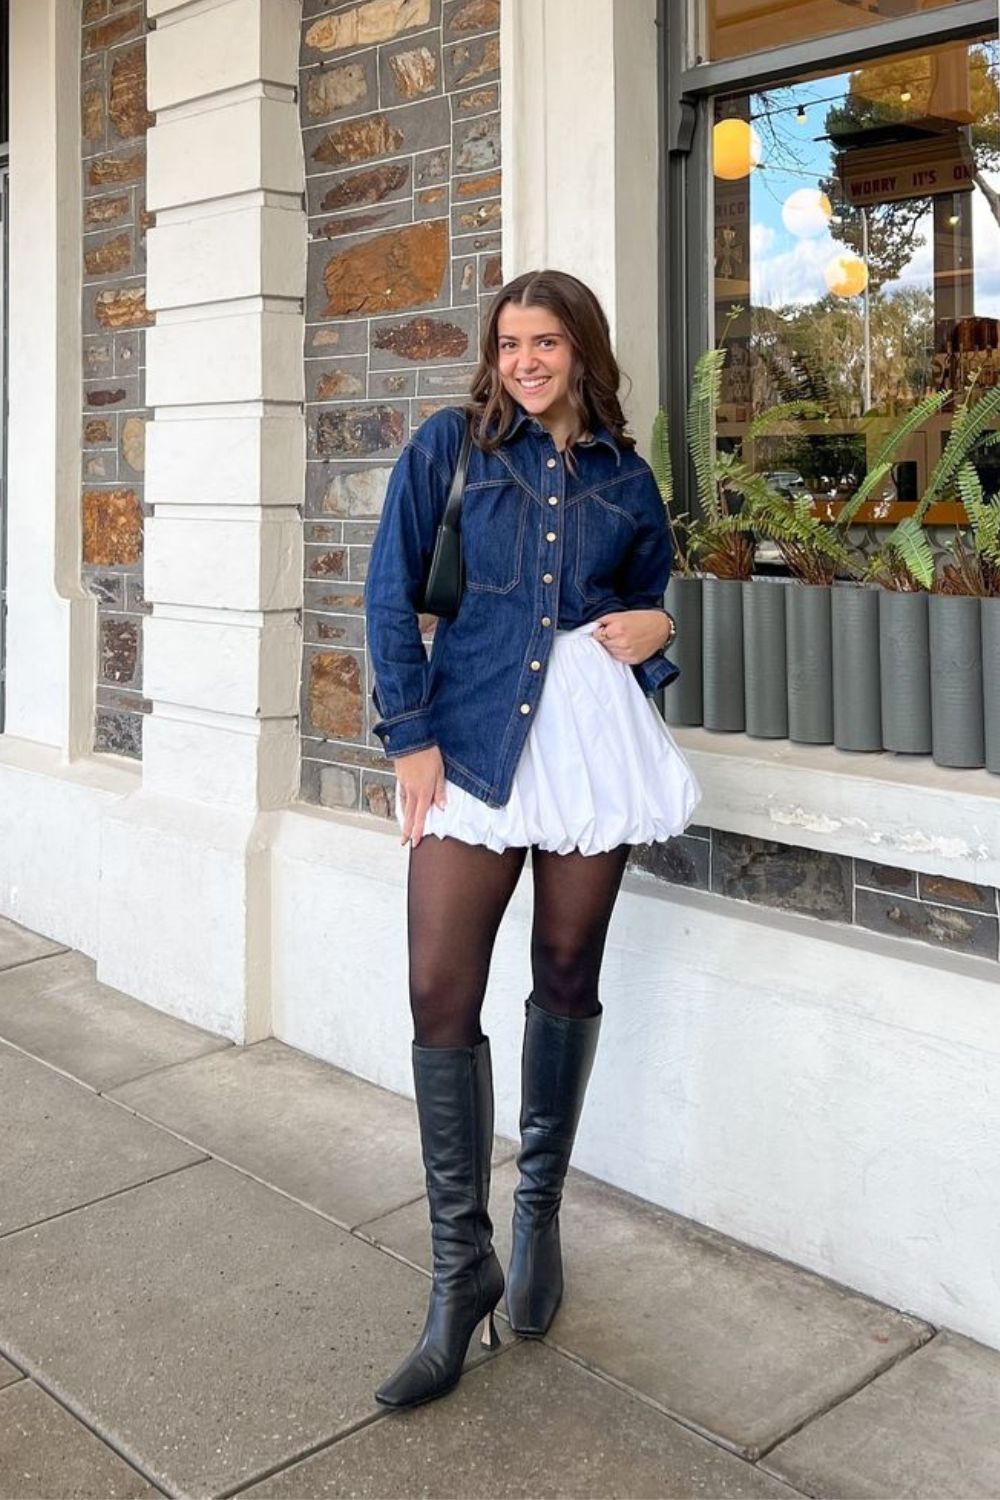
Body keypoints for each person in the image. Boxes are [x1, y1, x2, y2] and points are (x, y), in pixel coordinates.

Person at [364, 269, 700, 1410]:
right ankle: (461, 1272)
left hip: (588, 745)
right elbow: (386, 592)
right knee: (436, 992)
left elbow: (650, 602)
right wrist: (407, 733)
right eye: (509, 342)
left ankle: (538, 1209)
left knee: (566, 969)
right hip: (466, 741)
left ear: (580, 349)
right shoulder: (449, 448)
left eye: (545, 341)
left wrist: (661, 630)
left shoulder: (625, 476)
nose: (525, 360)